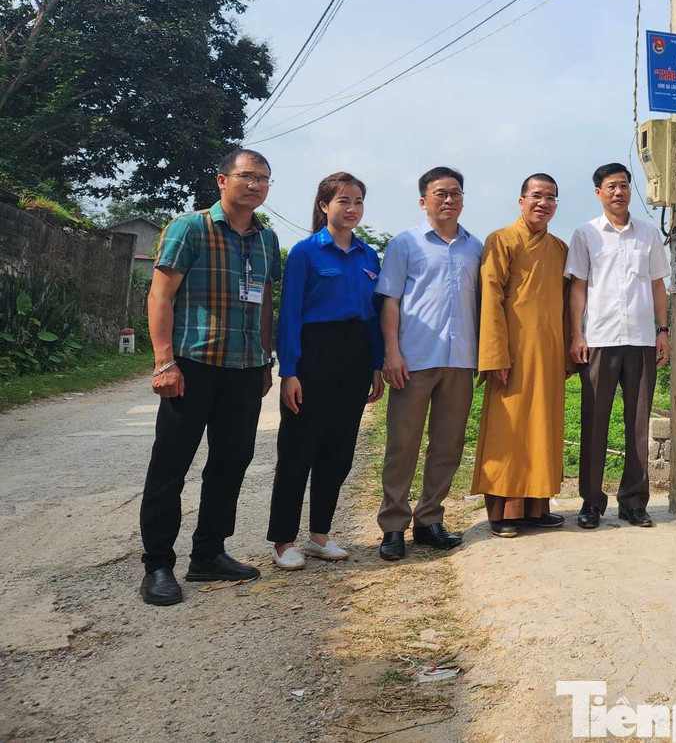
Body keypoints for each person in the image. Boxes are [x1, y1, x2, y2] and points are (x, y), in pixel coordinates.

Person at [138, 148, 281, 606]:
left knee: (230, 463)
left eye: (263, 179)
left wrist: (264, 360)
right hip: (192, 367)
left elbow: (262, 303)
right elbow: (160, 296)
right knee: (170, 466)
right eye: (246, 177)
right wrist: (164, 361)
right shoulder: (190, 227)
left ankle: (209, 553)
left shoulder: (267, 240)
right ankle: (158, 564)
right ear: (222, 181)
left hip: (244, 371)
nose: (255, 185)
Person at [268, 172, 385, 570]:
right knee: (299, 450)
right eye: (343, 202)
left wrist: (376, 365)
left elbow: (373, 317)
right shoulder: (305, 252)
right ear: (324, 206)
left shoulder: (369, 256)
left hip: (355, 357)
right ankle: (283, 541)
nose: (351, 209)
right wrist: (291, 371)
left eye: (357, 202)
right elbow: (290, 315)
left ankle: (319, 535)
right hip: (314, 354)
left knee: (338, 452)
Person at [374, 166, 483, 561]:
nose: (448, 199)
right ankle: (392, 526)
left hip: (460, 360)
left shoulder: (476, 247)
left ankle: (430, 519)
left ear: (463, 199)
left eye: (455, 192)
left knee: (448, 445)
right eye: (440, 193)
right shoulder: (405, 244)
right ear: (424, 200)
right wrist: (391, 353)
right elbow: (389, 300)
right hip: (413, 359)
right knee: (403, 445)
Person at [566, 163, 671, 530]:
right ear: (598, 192)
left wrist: (663, 330)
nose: (618, 192)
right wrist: (577, 335)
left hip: (642, 340)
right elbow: (577, 287)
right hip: (600, 339)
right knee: (595, 422)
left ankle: (633, 502)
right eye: (611, 186)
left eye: (624, 185)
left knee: (638, 423)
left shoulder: (648, 235)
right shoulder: (586, 235)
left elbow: (658, 285)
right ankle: (592, 502)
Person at [472, 174, 570, 538]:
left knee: (542, 428)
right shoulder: (501, 240)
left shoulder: (559, 248)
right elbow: (490, 298)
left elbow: (565, 305)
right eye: (536, 196)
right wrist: (495, 353)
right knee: (508, 431)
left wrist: (568, 352)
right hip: (510, 354)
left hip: (547, 353)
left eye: (550, 198)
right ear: (521, 200)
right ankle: (504, 512)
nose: (543, 203)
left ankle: (536, 506)